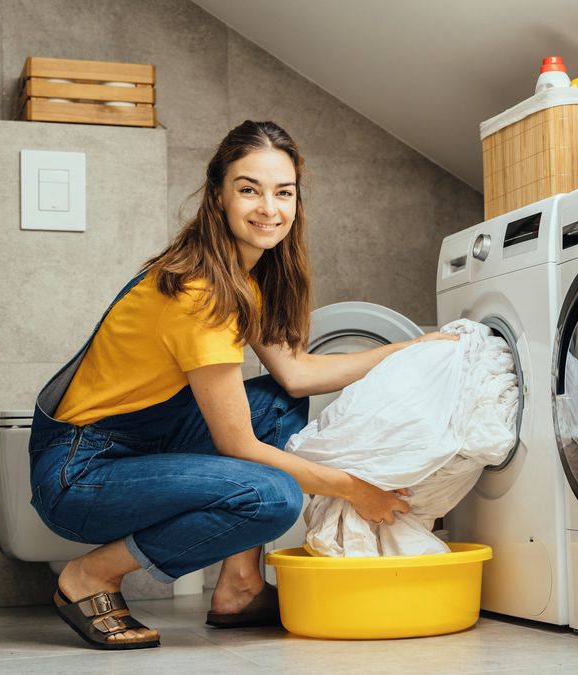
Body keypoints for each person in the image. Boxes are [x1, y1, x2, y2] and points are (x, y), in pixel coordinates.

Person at [28, 120, 456, 650]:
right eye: (249, 189)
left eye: (283, 192)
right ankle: (93, 574)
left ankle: (239, 585)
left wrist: (409, 349)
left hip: (136, 441)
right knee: (272, 497)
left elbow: (296, 376)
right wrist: (355, 490)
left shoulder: (242, 275)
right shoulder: (200, 291)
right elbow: (237, 446)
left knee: (276, 404)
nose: (268, 209)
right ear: (218, 196)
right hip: (80, 470)